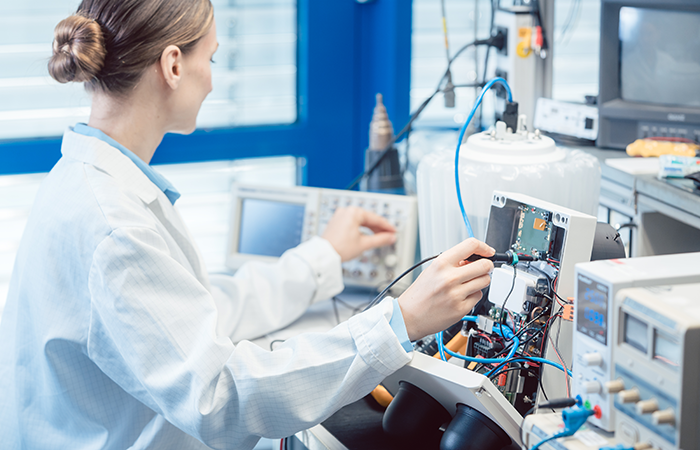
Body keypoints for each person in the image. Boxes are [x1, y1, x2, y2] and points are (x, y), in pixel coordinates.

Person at [0, 1, 495, 449]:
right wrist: (400, 321)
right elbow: (221, 397)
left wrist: (324, 254)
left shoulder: (89, 181)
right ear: (173, 65)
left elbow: (200, 312)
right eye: (210, 59)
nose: (213, 80)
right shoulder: (114, 225)